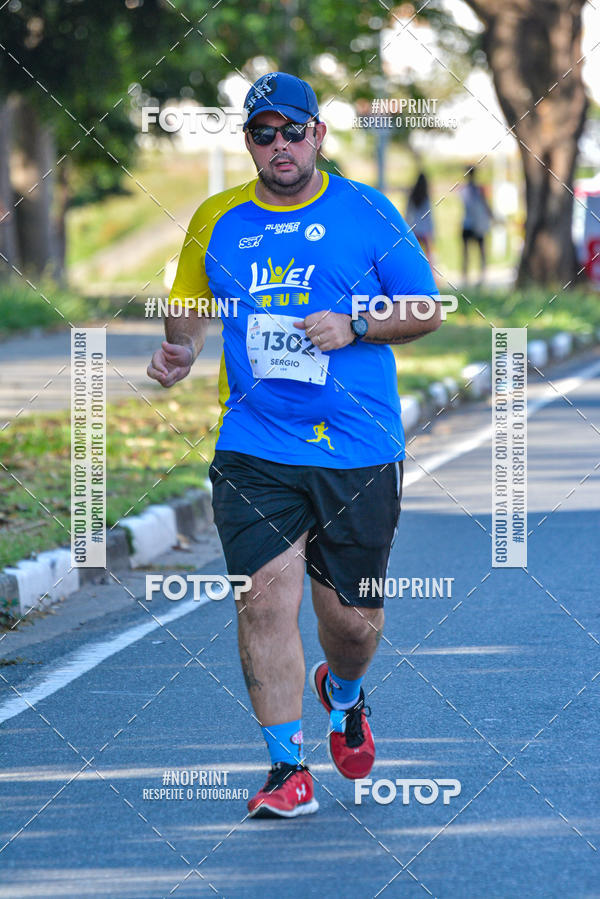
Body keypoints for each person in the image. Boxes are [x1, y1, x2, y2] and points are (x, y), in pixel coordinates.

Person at [147, 71, 441, 819]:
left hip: (357, 444)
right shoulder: (216, 218)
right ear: (248, 141)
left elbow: (426, 305)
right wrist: (178, 351)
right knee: (265, 600)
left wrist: (359, 324)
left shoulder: (368, 211)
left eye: (291, 129)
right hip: (255, 441)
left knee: (351, 622)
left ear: (317, 135)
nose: (279, 144)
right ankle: (286, 766)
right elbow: (187, 308)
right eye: (262, 132)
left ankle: (343, 694)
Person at [460, 165, 493, 284]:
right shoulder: (474, 190)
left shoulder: (465, 190)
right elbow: (485, 206)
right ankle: (477, 275)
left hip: (470, 224)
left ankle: (473, 276)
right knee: (478, 251)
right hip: (472, 224)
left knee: (468, 252)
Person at [406, 171, 434, 263]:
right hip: (425, 231)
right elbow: (429, 217)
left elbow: (408, 213)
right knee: (428, 256)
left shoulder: (412, 196)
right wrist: (432, 232)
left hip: (415, 229)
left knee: (414, 255)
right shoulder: (426, 197)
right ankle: (430, 274)